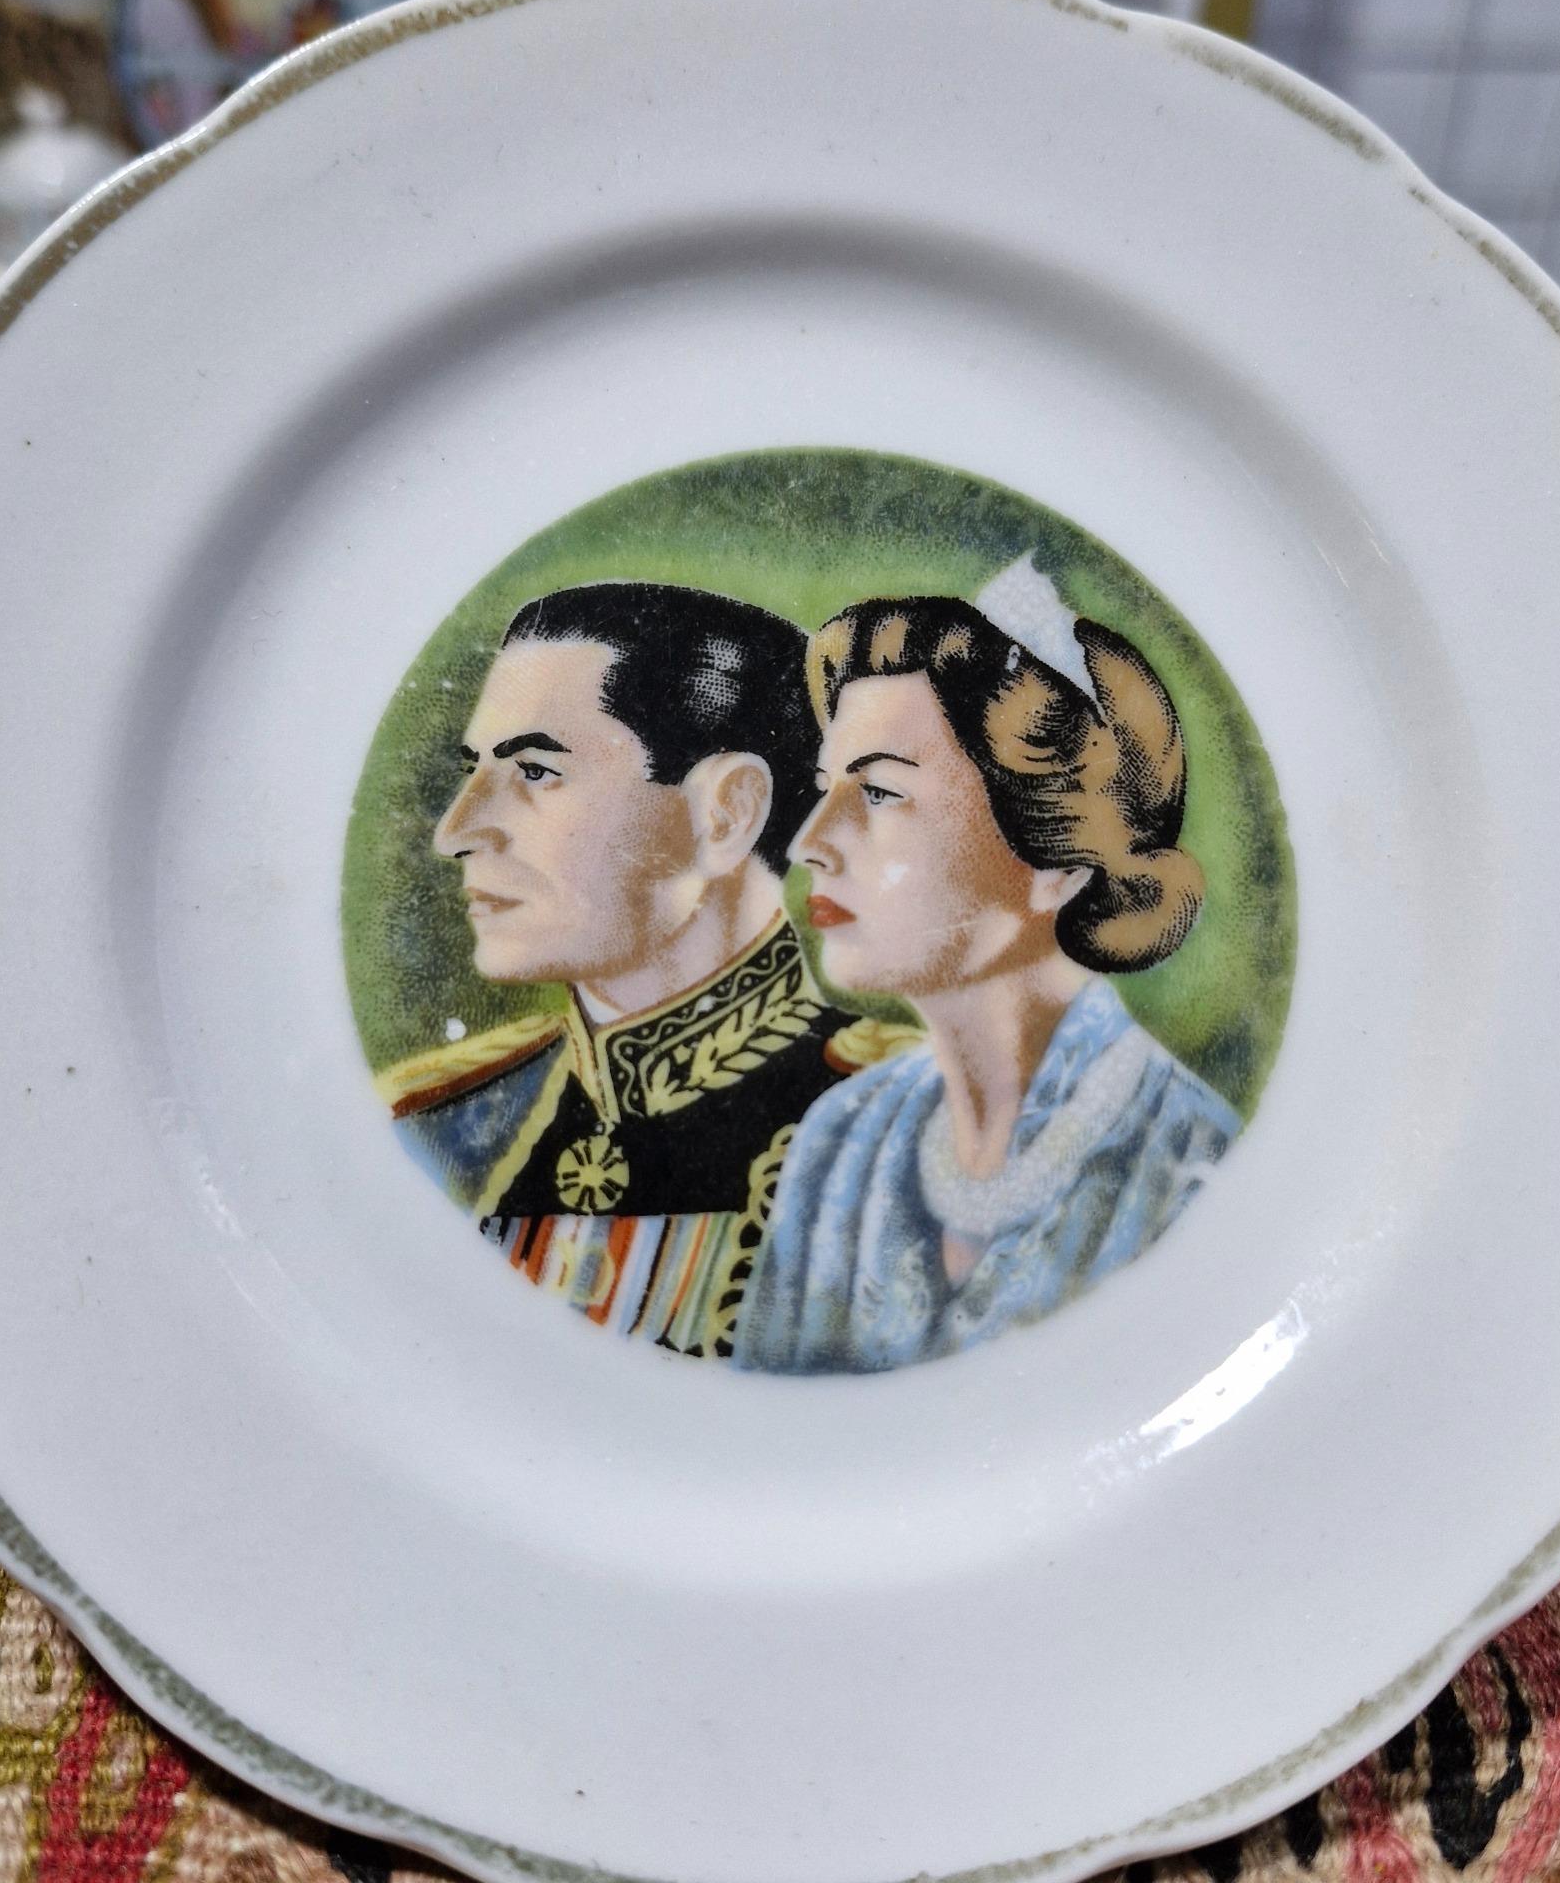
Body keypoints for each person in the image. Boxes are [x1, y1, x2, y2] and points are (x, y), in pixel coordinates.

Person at [735, 556, 1240, 1375]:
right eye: (827, 789)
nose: (809, 844)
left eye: (880, 793)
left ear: (1058, 864)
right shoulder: (837, 1144)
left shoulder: (1195, 1169)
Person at [376, 582, 896, 1358]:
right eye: (474, 770)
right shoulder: (433, 1121)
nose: (457, 830)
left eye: (535, 772)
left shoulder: (913, 1129)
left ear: (726, 812)